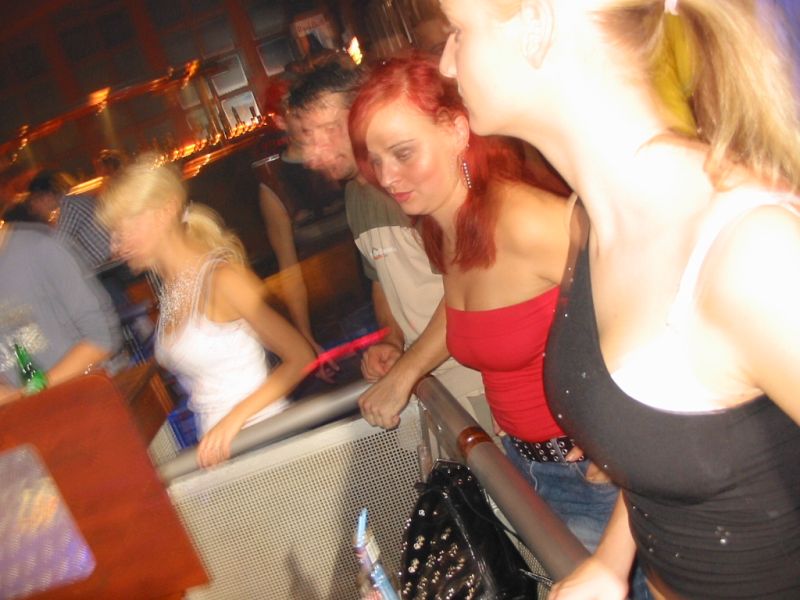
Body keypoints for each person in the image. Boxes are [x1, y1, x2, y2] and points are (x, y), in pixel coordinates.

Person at [437, 0, 800, 598]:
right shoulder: (590, 224)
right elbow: (669, 446)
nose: (447, 64)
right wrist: (610, 563)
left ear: (536, 25)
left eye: (458, 32)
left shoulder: (750, 249)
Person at [347, 54, 627, 559]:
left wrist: (624, 432)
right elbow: (469, 308)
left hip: (591, 475)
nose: (387, 176)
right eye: (376, 159)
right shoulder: (448, 225)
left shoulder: (524, 222)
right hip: (525, 462)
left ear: (456, 130)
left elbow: (648, 302)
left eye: (403, 153)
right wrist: (406, 371)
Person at [288, 61, 490, 430]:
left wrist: (404, 373)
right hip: (430, 381)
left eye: (330, 130)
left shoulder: (415, 185)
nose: (317, 150)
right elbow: (381, 278)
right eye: (308, 137)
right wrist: (393, 340)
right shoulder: (355, 195)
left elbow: (471, 285)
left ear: (364, 115)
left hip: (476, 375)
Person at [98, 155, 315, 468]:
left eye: (124, 227)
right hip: (226, 454)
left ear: (165, 211)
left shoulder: (222, 279)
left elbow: (301, 356)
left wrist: (233, 420)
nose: (115, 245)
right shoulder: (170, 289)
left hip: (267, 443)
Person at [0, 220, 122, 404]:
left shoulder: (41, 248)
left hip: (93, 397)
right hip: (31, 412)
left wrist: (28, 394)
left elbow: (102, 339)